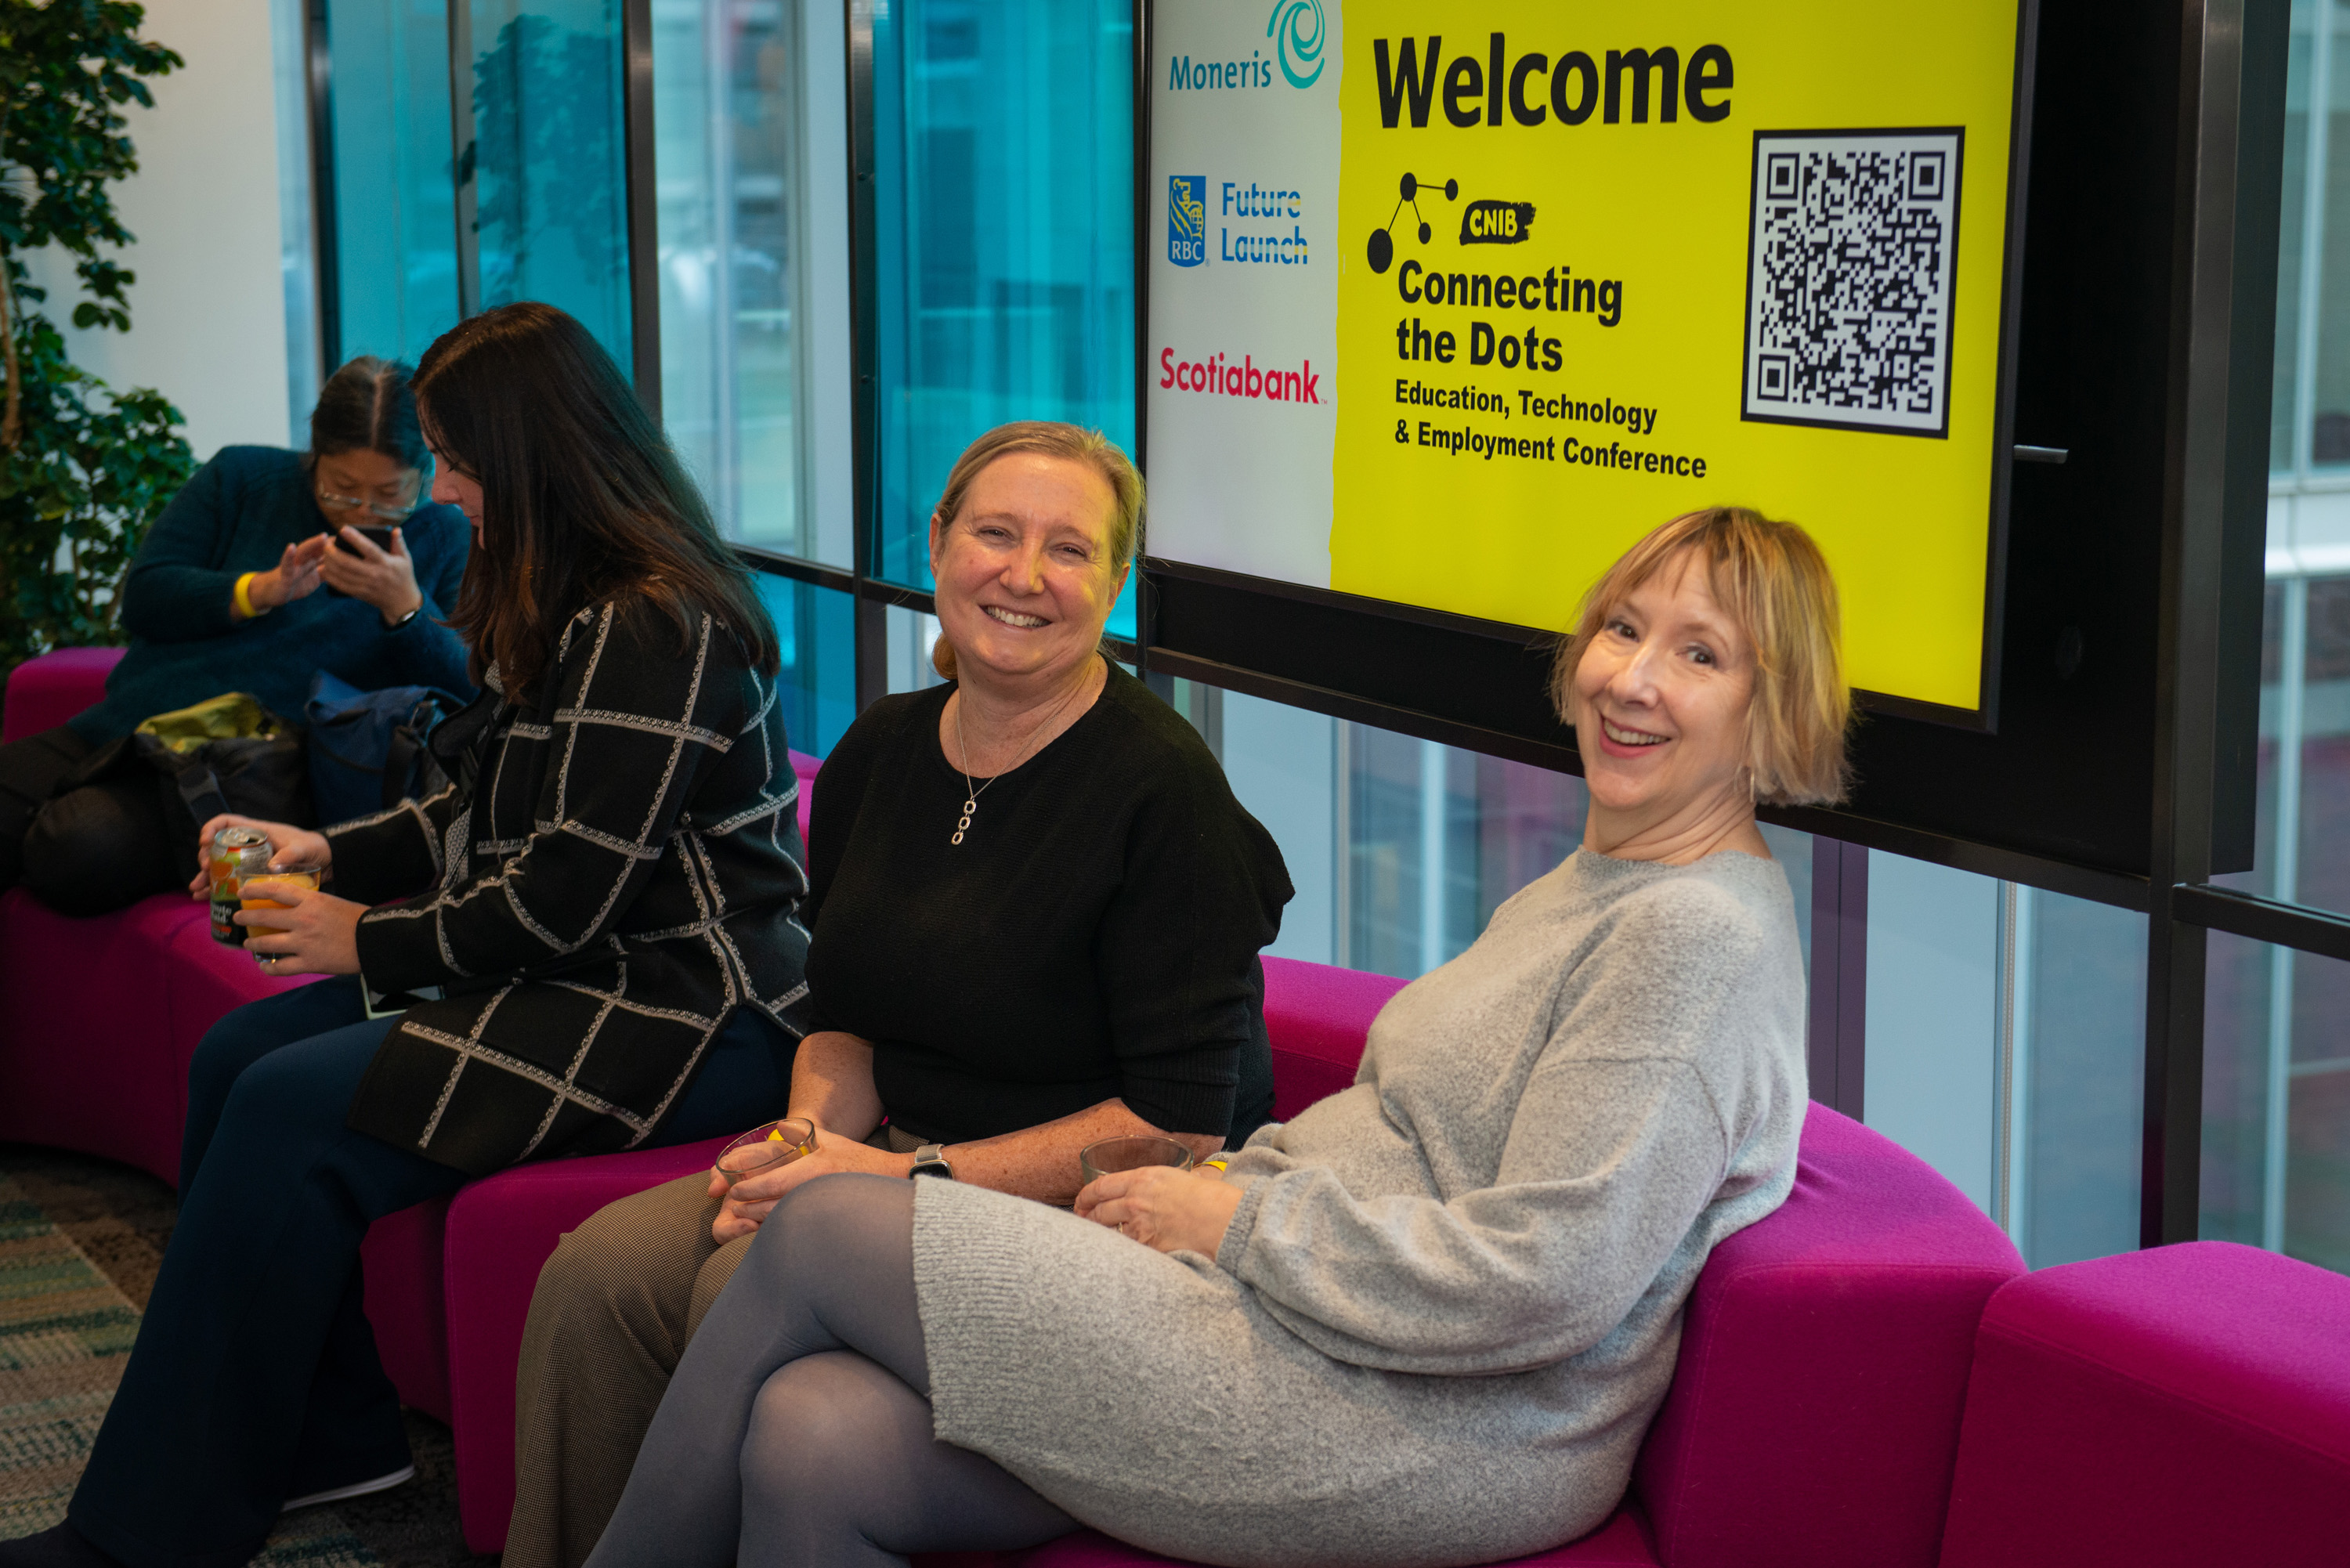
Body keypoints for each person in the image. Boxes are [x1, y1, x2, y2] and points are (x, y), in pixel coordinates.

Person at [578, 504, 1854, 1568]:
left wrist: (1238, 1222)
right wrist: (1219, 1197)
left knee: (816, 1225)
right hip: (1296, 1314)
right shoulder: (1605, 878)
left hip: (1422, 1417)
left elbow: (1552, 1278)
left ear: (1771, 703)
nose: (1631, 677)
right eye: (1625, 628)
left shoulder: (1695, 933)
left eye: (1700, 656)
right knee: (812, 1435)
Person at [0, 302, 809, 1568]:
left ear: (533, 456)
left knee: (284, 1109)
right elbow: (481, 807)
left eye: (457, 459)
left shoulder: (659, 624)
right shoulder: (569, 598)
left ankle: (140, 1533)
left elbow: (559, 897)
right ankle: (334, 1435)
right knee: (238, 1060)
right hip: (577, 971)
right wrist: (335, 854)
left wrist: (361, 942)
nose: (444, 492)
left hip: (688, 1009)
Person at [502, 421, 1292, 1568]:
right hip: (884, 1165)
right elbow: (847, 1016)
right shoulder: (882, 748)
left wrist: (881, 1177)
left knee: (734, 1279)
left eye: (1070, 551)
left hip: (1081, 1214)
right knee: (594, 1277)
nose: (1024, 576)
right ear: (937, 543)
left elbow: (1175, 1125)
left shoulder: (1163, 791)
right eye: (997, 533)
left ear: (1114, 585)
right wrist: (804, 1143)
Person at [0, 356, 475, 916]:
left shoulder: (443, 531)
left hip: (256, 773)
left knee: (76, 850)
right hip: (132, 730)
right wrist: (258, 591)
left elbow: (465, 687)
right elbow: (146, 597)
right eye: (342, 489)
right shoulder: (244, 478)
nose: (362, 513)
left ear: (425, 476)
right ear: (313, 455)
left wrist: (407, 610)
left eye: (391, 495)